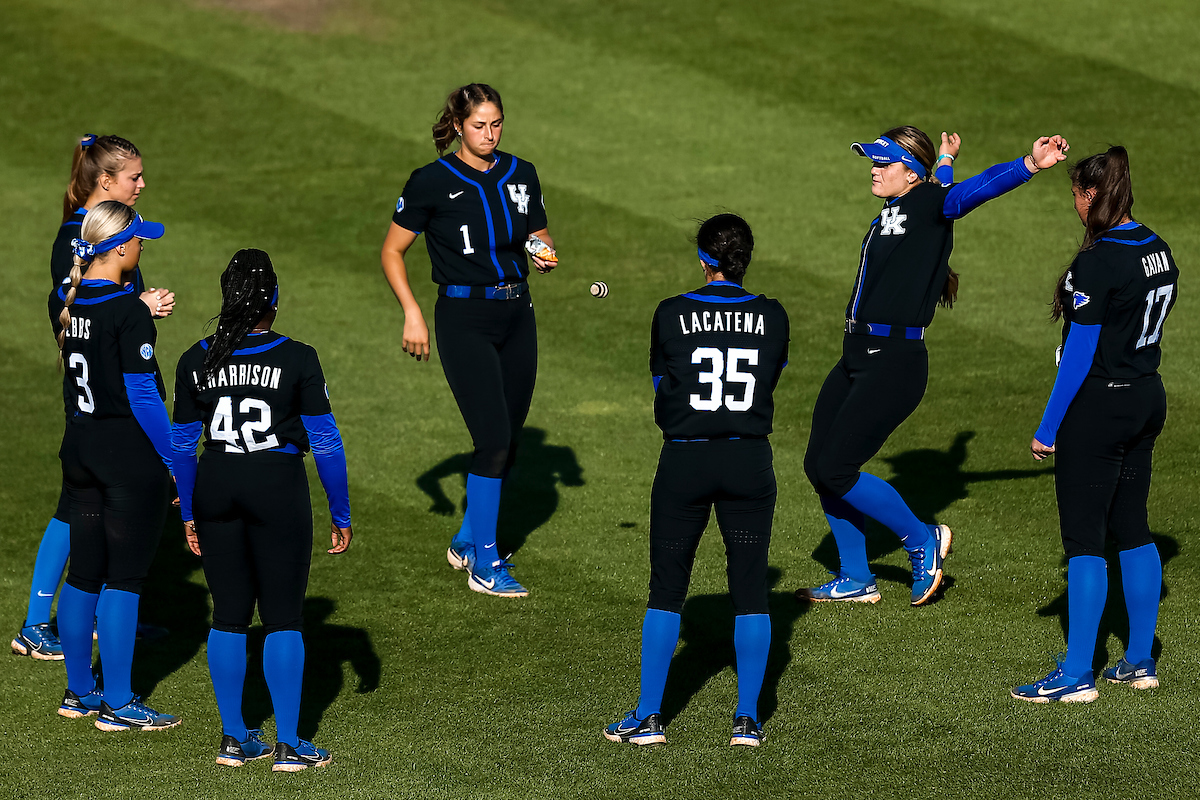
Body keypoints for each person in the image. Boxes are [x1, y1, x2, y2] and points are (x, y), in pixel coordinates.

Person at [797, 127, 1069, 606]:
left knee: (837, 469)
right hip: (856, 356)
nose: (874, 170)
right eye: (873, 161)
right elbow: (941, 184)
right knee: (818, 465)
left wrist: (1028, 165)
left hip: (893, 363)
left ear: (910, 173)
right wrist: (945, 158)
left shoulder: (928, 203)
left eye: (883, 162)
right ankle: (856, 577)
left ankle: (922, 538)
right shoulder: (904, 204)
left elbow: (968, 193)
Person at [604, 214, 789, 747]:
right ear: (745, 259)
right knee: (751, 590)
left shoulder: (670, 312)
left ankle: (648, 718)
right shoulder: (773, 315)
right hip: (749, 462)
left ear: (705, 260)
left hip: (684, 462)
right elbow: (769, 379)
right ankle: (747, 720)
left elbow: (662, 387)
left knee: (666, 590)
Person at [171, 249, 352, 769]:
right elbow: (326, 442)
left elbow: (182, 446)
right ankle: (290, 745)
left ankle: (234, 738)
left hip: (216, 484)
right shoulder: (298, 357)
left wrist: (188, 512)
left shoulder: (195, 358)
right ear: (273, 298)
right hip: (276, 486)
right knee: (283, 618)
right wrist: (340, 513)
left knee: (228, 616)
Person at [1012, 147, 1176, 703]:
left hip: (1100, 407)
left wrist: (1047, 427)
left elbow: (1080, 353)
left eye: (1076, 196)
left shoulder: (1098, 260)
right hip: (1146, 396)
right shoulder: (1157, 248)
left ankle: (1076, 673)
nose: (1075, 206)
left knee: (1084, 540)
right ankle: (1139, 661)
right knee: (1133, 527)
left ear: (1092, 194)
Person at [380, 83, 556, 598]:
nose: (489, 134)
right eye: (479, 125)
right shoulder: (431, 182)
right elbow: (392, 251)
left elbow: (538, 234)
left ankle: (466, 540)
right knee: (493, 441)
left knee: (510, 441)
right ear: (458, 125)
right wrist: (412, 312)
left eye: (496, 124)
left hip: (517, 313)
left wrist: (542, 252)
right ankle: (486, 564)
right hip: (463, 319)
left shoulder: (522, 173)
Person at [13, 134, 174, 662]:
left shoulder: (112, 230)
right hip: (100, 402)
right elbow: (73, 312)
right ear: (105, 181)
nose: (142, 184)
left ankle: (107, 616)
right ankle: (37, 623)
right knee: (74, 509)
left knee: (96, 507)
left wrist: (138, 309)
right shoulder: (79, 238)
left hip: (103, 396)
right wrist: (136, 309)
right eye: (134, 176)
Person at [50, 200, 179, 729]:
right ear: (120, 247)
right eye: (139, 237)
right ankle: (120, 703)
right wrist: (175, 459)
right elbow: (144, 396)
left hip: (79, 451)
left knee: (83, 574)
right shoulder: (128, 310)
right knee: (124, 579)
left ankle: (80, 691)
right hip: (125, 457)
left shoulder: (73, 298)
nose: (143, 243)